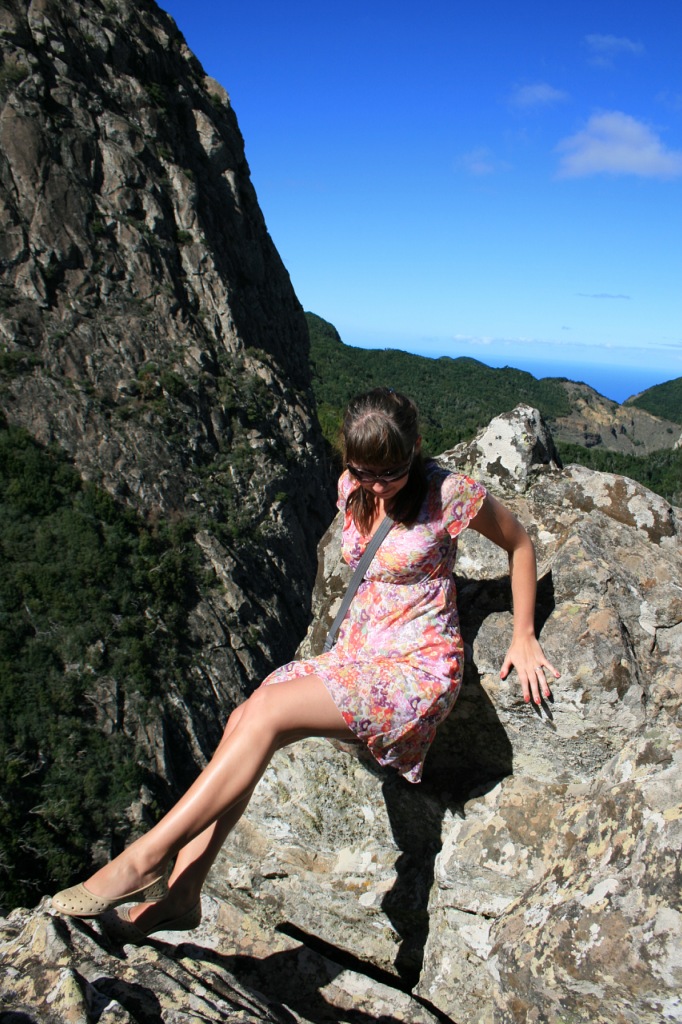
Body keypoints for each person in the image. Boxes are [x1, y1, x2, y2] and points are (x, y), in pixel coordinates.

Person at [52, 387, 559, 941]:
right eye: (364, 471)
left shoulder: (449, 493)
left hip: (413, 669)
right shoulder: (352, 486)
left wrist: (523, 634)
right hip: (358, 656)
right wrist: (365, 482)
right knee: (244, 718)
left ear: (415, 448)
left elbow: (519, 544)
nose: (376, 485)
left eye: (391, 472)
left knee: (267, 713)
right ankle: (183, 894)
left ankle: (145, 858)